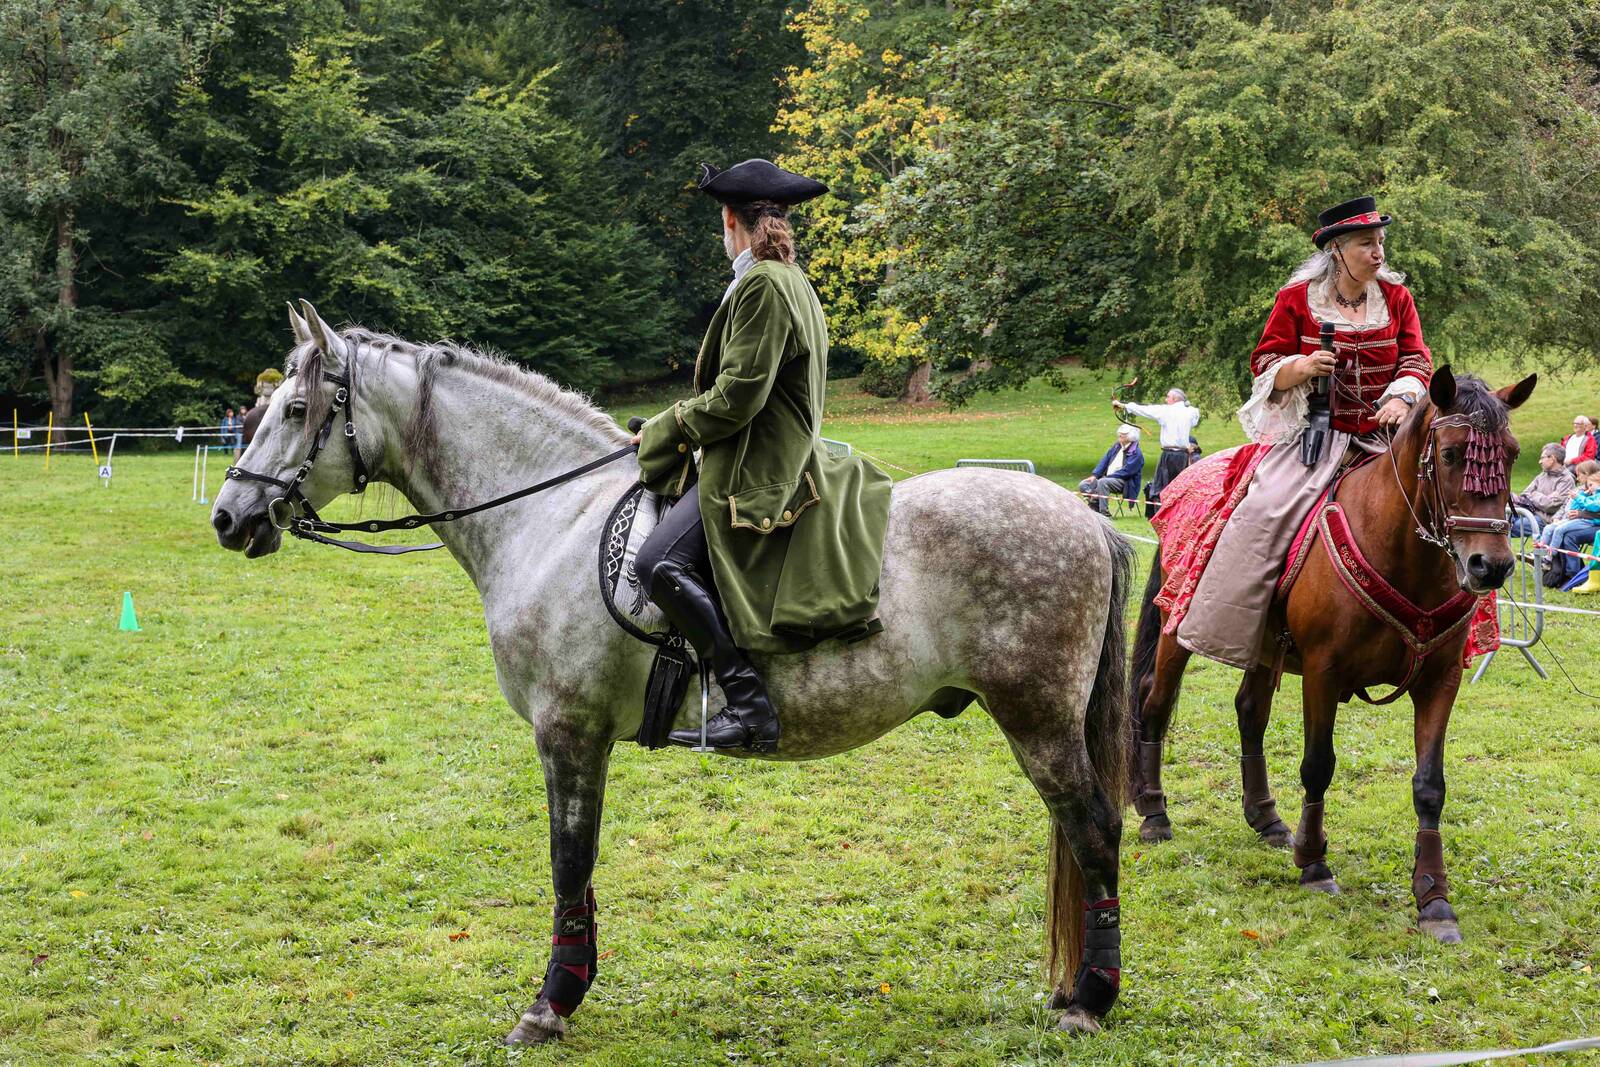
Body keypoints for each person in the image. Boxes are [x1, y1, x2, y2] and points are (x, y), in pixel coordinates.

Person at [631, 159, 893, 753]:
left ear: (731, 220)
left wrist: (666, 429)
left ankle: (749, 705)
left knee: (658, 564)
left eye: (721, 224)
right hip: (768, 449)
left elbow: (738, 396)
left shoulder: (764, 285)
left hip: (758, 466)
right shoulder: (788, 279)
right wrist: (672, 421)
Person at [1169, 195, 1431, 668]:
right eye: (1366, 243)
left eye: (1380, 241)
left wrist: (1401, 397)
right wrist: (1302, 366)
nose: (1378, 252)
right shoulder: (1296, 300)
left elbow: (1416, 357)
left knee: (1442, 506)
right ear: (1337, 249)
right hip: (1315, 439)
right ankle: (1244, 626)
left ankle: (1440, 631)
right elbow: (1265, 361)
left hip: (1384, 440)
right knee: (1262, 514)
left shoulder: (1396, 298)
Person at [1115, 387, 1201, 513]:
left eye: (1168, 397)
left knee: (1161, 487)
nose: (1166, 399)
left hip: (1169, 455)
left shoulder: (1165, 411)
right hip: (1182, 456)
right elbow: (1195, 417)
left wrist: (1123, 405)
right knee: (1180, 487)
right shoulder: (1190, 412)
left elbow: (1145, 410)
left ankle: (1162, 515)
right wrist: (1186, 405)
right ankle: (1177, 515)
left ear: (1175, 399)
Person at [1541, 460, 1600, 587]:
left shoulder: (1595, 493)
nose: (1577, 478)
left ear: (1589, 475)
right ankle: (1564, 572)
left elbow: (1595, 509)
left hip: (1594, 526)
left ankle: (1572, 574)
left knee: (1568, 536)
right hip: (1580, 521)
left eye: (1579, 475)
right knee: (1557, 531)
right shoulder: (1583, 491)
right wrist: (1557, 518)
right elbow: (1566, 508)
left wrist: (1580, 512)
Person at [1509, 443, 1574, 538]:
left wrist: (1534, 494)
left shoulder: (1566, 479)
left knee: (1514, 526)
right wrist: (1543, 498)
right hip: (1529, 512)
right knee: (1501, 520)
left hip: (1546, 520)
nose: (1540, 461)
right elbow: (1525, 495)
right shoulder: (1542, 475)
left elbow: (1550, 506)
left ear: (1552, 459)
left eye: (1542, 458)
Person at [1078, 425, 1144, 516]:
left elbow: (1127, 472)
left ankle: (1104, 513)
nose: (1120, 435)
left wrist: (1109, 477)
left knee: (1103, 482)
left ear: (1131, 437)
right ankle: (1095, 505)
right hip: (1108, 478)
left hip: (1125, 483)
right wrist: (1095, 475)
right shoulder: (1116, 447)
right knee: (1084, 484)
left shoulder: (1136, 453)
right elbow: (1104, 461)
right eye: (1120, 433)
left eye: (1123, 434)